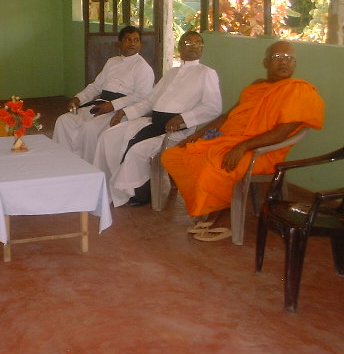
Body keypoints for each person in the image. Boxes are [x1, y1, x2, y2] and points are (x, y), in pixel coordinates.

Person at [162, 40, 324, 241]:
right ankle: (211, 206)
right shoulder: (255, 87)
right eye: (277, 57)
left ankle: (223, 216)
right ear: (266, 62)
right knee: (174, 155)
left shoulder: (299, 91)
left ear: (295, 64)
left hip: (262, 151)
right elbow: (228, 116)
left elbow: (282, 133)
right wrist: (197, 134)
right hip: (229, 142)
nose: (284, 62)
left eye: (289, 58)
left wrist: (242, 146)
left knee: (214, 164)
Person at [93, 31, 222, 207]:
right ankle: (109, 186)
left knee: (137, 149)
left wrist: (182, 118)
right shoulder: (172, 73)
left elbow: (213, 107)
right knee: (109, 137)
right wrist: (125, 112)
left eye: (198, 43)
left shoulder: (206, 73)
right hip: (154, 122)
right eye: (189, 43)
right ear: (180, 47)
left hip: (176, 130)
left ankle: (138, 194)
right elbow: (150, 101)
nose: (195, 46)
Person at [52, 26, 154, 163]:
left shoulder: (143, 67)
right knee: (64, 121)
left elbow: (142, 95)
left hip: (120, 111)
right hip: (101, 105)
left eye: (136, 40)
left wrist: (113, 105)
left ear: (141, 44)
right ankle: (65, 162)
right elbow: (96, 87)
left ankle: (88, 169)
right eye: (128, 40)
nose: (132, 43)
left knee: (89, 129)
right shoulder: (112, 62)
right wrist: (78, 98)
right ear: (119, 43)